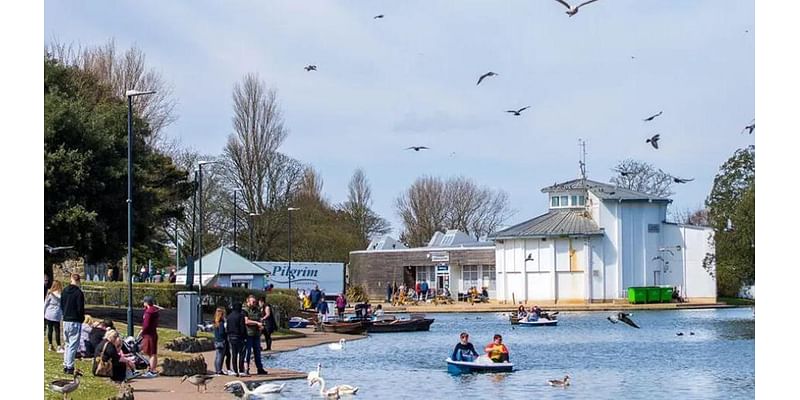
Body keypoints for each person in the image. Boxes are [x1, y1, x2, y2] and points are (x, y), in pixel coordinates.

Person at [61, 273, 85, 375]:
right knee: (73, 344)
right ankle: (70, 366)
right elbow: (80, 308)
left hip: (66, 319)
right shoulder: (79, 293)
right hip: (75, 320)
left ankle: (66, 364)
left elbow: (61, 304)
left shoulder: (64, 291)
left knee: (67, 343)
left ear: (71, 279)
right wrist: (81, 318)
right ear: (78, 281)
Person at [243, 295, 269, 375]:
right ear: (248, 301)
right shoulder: (245, 310)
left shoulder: (257, 310)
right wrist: (257, 323)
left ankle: (260, 368)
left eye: (255, 302)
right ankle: (246, 369)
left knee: (257, 352)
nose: (254, 303)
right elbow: (246, 321)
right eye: (253, 302)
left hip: (256, 334)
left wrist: (261, 326)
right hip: (248, 334)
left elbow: (261, 319)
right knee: (247, 352)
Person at [138, 295, 160, 378]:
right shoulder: (154, 311)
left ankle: (152, 370)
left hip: (148, 334)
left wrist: (142, 331)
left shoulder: (148, 313)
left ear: (146, 303)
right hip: (153, 333)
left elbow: (146, 325)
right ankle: (152, 369)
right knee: (153, 352)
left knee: (151, 353)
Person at [226, 302, 247, 377]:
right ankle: (241, 370)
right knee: (241, 354)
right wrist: (244, 337)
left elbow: (227, 327)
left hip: (231, 337)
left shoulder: (229, 316)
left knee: (234, 354)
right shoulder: (241, 316)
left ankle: (235, 371)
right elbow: (242, 327)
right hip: (239, 337)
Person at [45, 280, 64, 353]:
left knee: (50, 330)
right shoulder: (60, 294)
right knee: (57, 330)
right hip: (56, 314)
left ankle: (50, 345)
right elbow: (60, 300)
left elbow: (45, 304)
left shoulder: (50, 294)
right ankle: (58, 346)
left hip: (48, 313)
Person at [212, 307, 230, 375]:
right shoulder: (221, 322)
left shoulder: (215, 321)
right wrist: (226, 332)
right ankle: (219, 370)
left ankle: (217, 369)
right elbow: (221, 332)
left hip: (216, 340)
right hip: (221, 341)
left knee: (217, 356)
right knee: (220, 356)